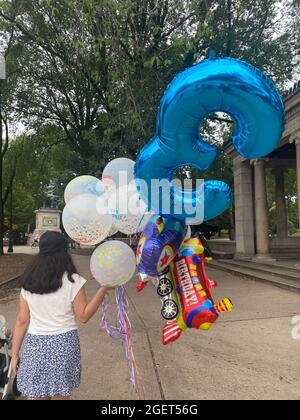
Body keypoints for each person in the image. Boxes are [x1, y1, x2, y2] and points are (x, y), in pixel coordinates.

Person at [11, 231, 111, 400]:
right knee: (61, 395)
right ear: (64, 251)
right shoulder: (73, 280)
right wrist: (103, 289)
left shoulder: (28, 281)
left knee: (37, 395)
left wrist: (14, 354)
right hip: (64, 345)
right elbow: (84, 316)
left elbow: (22, 320)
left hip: (35, 346)